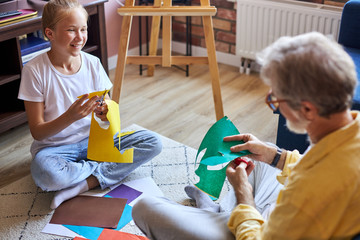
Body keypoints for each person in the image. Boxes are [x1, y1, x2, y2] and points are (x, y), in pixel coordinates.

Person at [132, 31, 360, 240]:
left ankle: (221, 212)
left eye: (276, 99)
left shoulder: (311, 190)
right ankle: (217, 210)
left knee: (144, 207)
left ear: (308, 109)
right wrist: (275, 156)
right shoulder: (350, 128)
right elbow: (315, 165)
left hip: (263, 231)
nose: (274, 106)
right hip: (290, 208)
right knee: (259, 153)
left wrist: (243, 193)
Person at [18, 0, 162, 210]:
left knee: (153, 142)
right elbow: (38, 133)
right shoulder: (34, 71)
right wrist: (70, 117)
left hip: (95, 141)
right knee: (47, 175)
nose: (80, 37)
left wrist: (106, 112)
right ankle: (104, 169)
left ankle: (86, 182)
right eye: (71, 30)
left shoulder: (93, 63)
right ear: (50, 33)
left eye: (83, 29)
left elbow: (109, 106)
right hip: (56, 149)